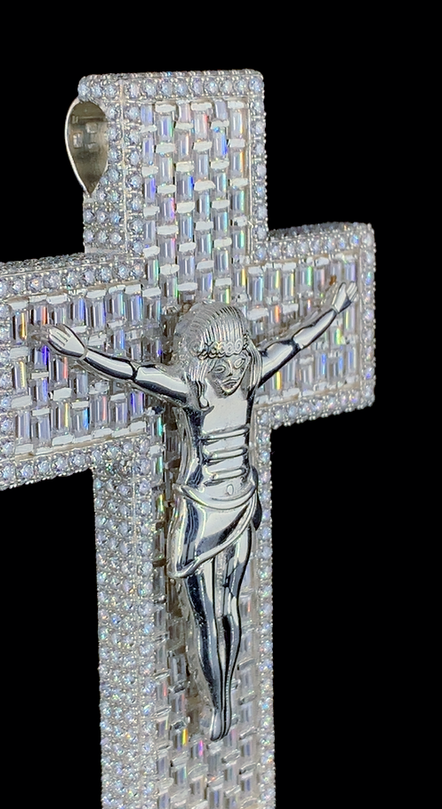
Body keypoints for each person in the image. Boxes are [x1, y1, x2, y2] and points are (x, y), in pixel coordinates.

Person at [50, 280, 357, 739]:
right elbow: (135, 373)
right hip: (202, 511)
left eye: (237, 359)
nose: (230, 371)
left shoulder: (250, 377)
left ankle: (226, 693)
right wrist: (82, 353)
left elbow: (295, 342)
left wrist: (333, 311)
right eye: (219, 362)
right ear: (202, 359)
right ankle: (218, 702)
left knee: (231, 606)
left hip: (242, 502)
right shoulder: (193, 391)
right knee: (206, 616)